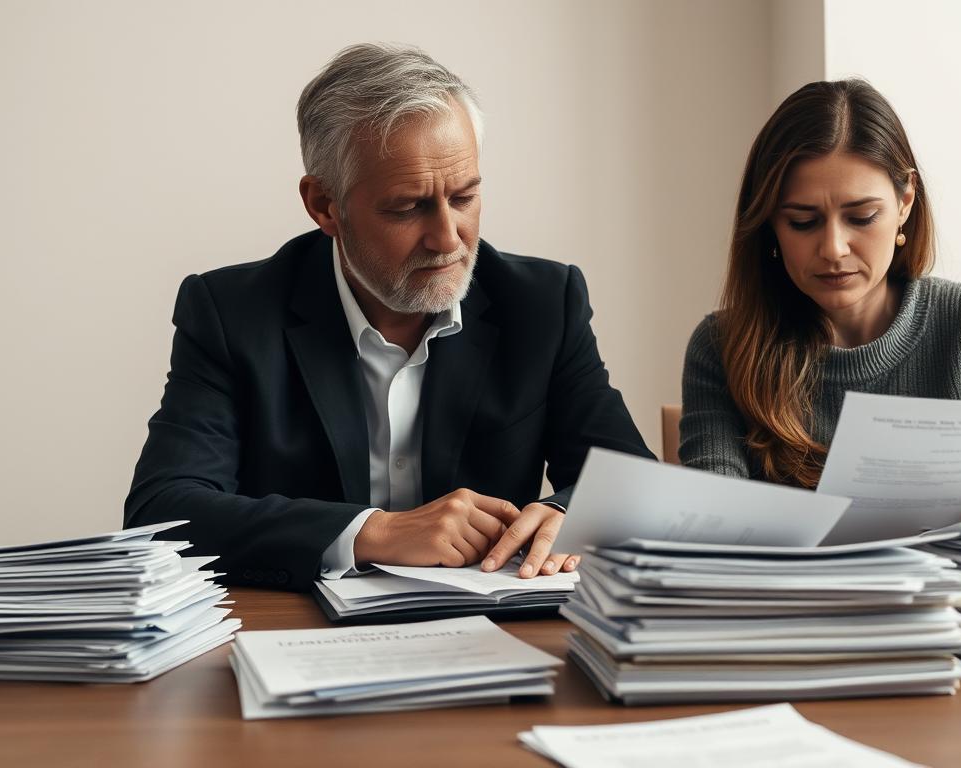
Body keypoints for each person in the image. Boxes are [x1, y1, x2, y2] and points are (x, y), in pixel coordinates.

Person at [125, 44, 653, 591]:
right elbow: (162, 512)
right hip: (297, 637)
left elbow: (634, 486)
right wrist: (370, 532)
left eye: (465, 196)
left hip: (494, 631)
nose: (449, 239)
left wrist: (568, 512)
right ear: (325, 207)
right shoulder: (231, 312)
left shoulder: (543, 302)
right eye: (407, 208)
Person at [680, 79, 961, 523]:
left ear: (905, 201)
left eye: (861, 217)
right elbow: (712, 527)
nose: (834, 247)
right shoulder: (723, 346)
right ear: (769, 226)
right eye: (802, 222)